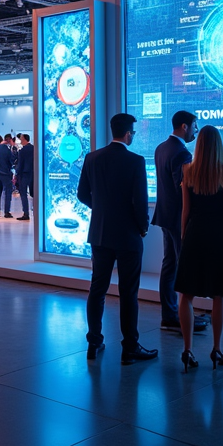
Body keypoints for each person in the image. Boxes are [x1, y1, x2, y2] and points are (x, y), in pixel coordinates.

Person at [77, 113, 158, 365]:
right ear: (127, 134)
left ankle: (94, 341)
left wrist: (101, 210)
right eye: (133, 132)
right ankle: (130, 347)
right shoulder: (135, 161)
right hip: (128, 235)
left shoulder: (92, 158)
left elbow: (82, 194)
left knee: (97, 289)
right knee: (128, 292)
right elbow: (140, 200)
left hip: (100, 234)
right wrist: (142, 227)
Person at [174, 125, 223, 373]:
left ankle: (187, 350)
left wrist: (184, 237)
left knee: (186, 294)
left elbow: (185, 210)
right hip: (220, 236)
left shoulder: (188, 171)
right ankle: (216, 349)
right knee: (219, 294)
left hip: (195, 233)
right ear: (219, 144)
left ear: (199, 145)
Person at [153, 110, 207, 334]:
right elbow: (182, 189)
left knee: (170, 265)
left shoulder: (161, 148)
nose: (196, 131)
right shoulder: (182, 153)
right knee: (181, 267)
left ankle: (171, 314)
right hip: (178, 218)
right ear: (184, 126)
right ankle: (179, 317)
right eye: (195, 126)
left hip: (165, 215)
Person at [16, 134, 34, 221]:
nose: (20, 140)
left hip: (24, 174)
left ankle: (26, 213)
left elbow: (20, 164)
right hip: (33, 173)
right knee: (34, 193)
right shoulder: (34, 148)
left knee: (23, 193)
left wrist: (16, 174)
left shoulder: (22, 151)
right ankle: (36, 211)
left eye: (22, 139)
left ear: (26, 139)